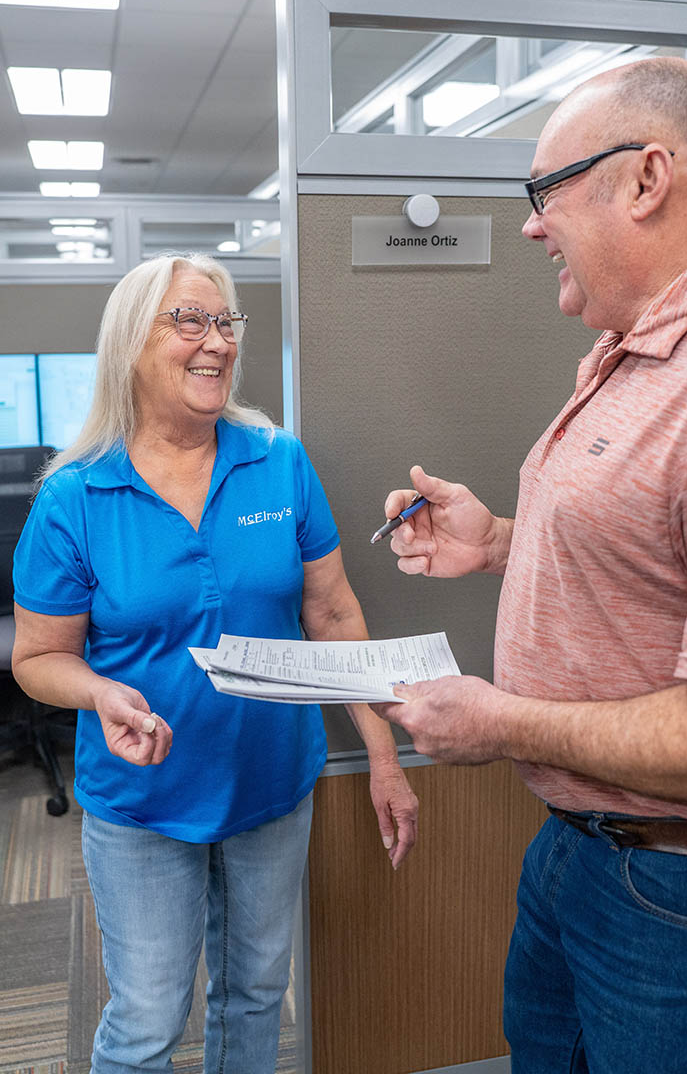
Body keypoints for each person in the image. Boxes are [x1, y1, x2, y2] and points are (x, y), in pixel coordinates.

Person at [374, 57, 687, 1073]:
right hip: (585, 853)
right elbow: (677, 562)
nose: (529, 225)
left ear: (645, 180)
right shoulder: (638, 351)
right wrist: (500, 542)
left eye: (543, 191)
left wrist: (500, 722)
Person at [12, 253, 418, 1074]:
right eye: (189, 321)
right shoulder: (75, 496)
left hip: (271, 783)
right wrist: (99, 693)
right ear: (132, 344)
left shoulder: (276, 459)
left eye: (225, 322)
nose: (216, 342)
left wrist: (383, 755)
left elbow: (333, 613)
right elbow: (38, 658)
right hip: (144, 802)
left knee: (257, 997)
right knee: (147, 1022)